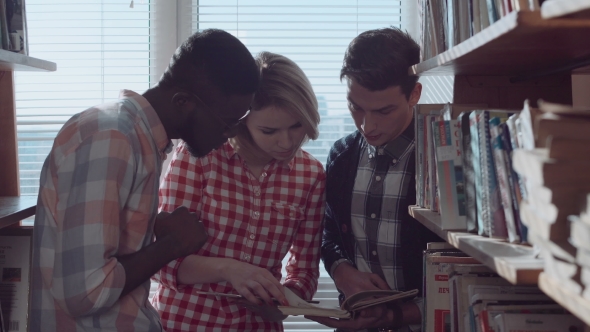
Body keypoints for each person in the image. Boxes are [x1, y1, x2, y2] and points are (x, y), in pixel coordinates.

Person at [30, 29, 260, 332]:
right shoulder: (112, 138)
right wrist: (171, 244)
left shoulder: (140, 141)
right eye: (228, 122)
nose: (229, 136)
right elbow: (84, 293)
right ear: (183, 101)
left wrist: (149, 232)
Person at [151, 51, 326, 331]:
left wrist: (287, 299)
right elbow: (161, 262)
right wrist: (229, 269)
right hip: (184, 323)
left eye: (297, 126)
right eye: (269, 131)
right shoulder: (199, 156)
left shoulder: (312, 175)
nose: (287, 142)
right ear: (242, 122)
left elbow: (304, 271)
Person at [307, 27, 441, 332]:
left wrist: (397, 316)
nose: (368, 126)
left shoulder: (442, 159)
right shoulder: (341, 155)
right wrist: (341, 272)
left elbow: (464, 269)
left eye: (384, 110)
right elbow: (327, 231)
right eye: (356, 107)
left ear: (415, 94)